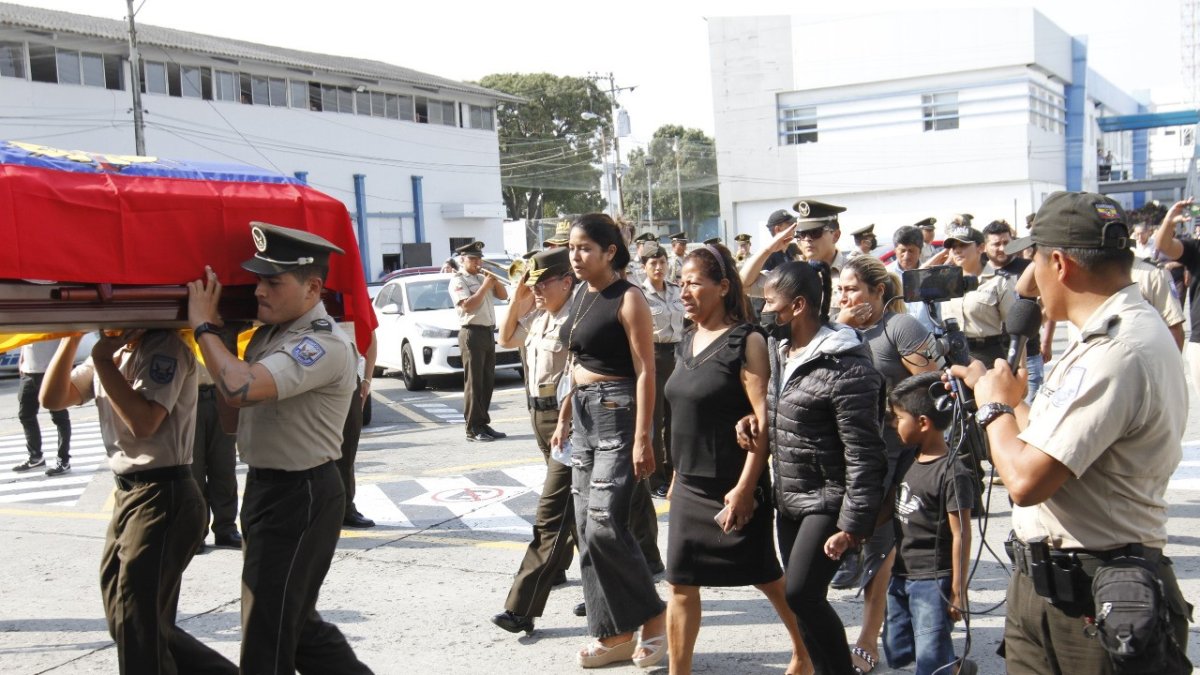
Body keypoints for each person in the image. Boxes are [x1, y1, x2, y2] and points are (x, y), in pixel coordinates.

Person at [957, 191, 1192, 675]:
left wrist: (994, 406)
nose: (1030, 276)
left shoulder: (1116, 350)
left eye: (1035, 259)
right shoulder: (1112, 334)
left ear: (1059, 264)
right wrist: (1007, 397)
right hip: (1053, 583)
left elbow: (1025, 482)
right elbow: (1051, 444)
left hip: (1095, 592)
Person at [186, 223, 373, 674]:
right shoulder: (272, 334)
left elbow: (238, 388)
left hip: (302, 494)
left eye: (273, 281)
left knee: (267, 631)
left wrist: (204, 326)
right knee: (297, 625)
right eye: (257, 280)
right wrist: (224, 338)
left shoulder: (322, 343)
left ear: (312, 287)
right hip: (269, 490)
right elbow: (235, 416)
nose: (258, 291)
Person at [40, 329, 237, 675]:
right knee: (126, 619)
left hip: (163, 493)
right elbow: (53, 399)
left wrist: (102, 361)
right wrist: (69, 340)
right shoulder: (114, 351)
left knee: (138, 625)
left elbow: (145, 422)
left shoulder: (163, 347)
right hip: (130, 494)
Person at [664, 243, 810, 675]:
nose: (684, 291)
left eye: (693, 282)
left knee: (766, 575)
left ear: (723, 286)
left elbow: (763, 419)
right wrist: (675, 474)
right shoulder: (687, 338)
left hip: (733, 482)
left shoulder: (747, 340)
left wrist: (746, 488)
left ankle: (806, 650)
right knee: (680, 583)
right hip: (689, 483)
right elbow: (684, 412)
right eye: (680, 282)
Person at [743, 260, 887, 674]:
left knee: (803, 594)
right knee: (800, 599)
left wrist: (854, 524)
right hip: (790, 497)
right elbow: (778, 412)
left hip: (829, 499)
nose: (764, 311)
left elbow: (865, 454)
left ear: (799, 305)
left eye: (771, 303)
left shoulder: (848, 367)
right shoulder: (781, 350)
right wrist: (750, 420)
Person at [551, 213, 667, 669]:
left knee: (603, 523)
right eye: (573, 249)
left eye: (585, 249)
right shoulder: (582, 293)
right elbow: (577, 361)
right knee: (586, 528)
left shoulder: (629, 297)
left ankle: (654, 617)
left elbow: (645, 371)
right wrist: (565, 414)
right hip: (582, 413)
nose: (576, 257)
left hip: (618, 413)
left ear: (610, 252)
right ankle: (612, 633)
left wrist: (644, 437)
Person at [834, 255, 940, 673]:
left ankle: (867, 638)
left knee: (882, 545)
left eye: (853, 288)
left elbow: (929, 390)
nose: (845, 296)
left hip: (896, 454)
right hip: (847, 455)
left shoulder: (900, 328)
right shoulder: (836, 329)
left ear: (879, 291)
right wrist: (841, 328)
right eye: (840, 289)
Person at [492, 248, 578, 635]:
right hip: (539, 415)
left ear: (566, 281)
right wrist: (518, 298)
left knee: (552, 513)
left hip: (568, 423)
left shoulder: (577, 319)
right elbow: (507, 337)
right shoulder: (541, 316)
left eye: (542, 282)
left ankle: (521, 607)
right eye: (533, 282)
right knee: (582, 512)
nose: (536, 289)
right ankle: (617, 590)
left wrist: (566, 419)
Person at [884, 372, 976, 675]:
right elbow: (891, 506)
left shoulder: (952, 472)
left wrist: (958, 589)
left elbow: (961, 533)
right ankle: (953, 667)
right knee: (897, 651)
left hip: (933, 580)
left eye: (899, 418)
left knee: (929, 660)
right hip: (901, 573)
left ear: (922, 422)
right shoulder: (907, 459)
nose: (895, 425)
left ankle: (942, 666)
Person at [448, 240, 509, 442]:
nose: (477, 262)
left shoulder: (482, 277)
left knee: (486, 381)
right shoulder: (459, 281)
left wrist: (494, 280)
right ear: (462, 259)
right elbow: (468, 306)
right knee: (474, 383)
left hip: (487, 332)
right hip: (471, 332)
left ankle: (482, 422)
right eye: (473, 259)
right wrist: (484, 285)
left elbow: (503, 294)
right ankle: (472, 428)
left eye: (479, 259)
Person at [640, 241, 685, 499]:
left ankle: (673, 473)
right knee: (655, 419)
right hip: (654, 355)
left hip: (677, 353)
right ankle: (656, 477)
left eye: (662, 262)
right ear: (644, 267)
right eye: (653, 263)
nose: (658, 268)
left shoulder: (676, 291)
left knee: (676, 417)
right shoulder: (640, 294)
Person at [981, 219, 1044, 401]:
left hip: (1029, 353)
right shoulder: (979, 273)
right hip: (993, 356)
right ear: (985, 247)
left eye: (1006, 243)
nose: (1002, 248)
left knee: (1031, 411)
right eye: (996, 244)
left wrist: (1035, 324)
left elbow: (1047, 303)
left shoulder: (1027, 268)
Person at [939, 224, 1015, 366]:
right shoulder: (947, 283)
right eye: (953, 247)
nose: (957, 250)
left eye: (963, 245)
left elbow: (1015, 330)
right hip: (955, 356)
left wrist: (1018, 367)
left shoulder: (998, 281)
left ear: (981, 248)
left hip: (988, 355)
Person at [191, 361, 242, 549]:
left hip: (220, 395)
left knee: (224, 467)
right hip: (188, 397)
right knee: (193, 470)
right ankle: (195, 532)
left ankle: (226, 529)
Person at [13, 340, 71, 475]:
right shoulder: (24, 319)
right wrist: (22, 358)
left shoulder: (51, 318)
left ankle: (63, 459)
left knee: (59, 417)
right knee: (25, 415)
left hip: (52, 371)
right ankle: (35, 457)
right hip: (28, 371)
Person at [339, 329, 377, 529]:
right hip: (313, 376)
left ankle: (345, 508)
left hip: (347, 376)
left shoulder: (348, 300)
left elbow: (369, 334)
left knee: (347, 448)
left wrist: (367, 379)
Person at [792, 199, 849, 307]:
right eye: (802, 234)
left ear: (836, 235)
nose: (807, 239)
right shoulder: (794, 274)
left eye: (815, 232)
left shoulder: (854, 272)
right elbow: (749, 285)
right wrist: (768, 250)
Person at [886, 225, 938, 334]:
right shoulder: (886, 275)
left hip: (928, 337)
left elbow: (938, 311)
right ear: (895, 250)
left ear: (920, 251)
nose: (906, 256)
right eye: (902, 250)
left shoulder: (931, 275)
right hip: (897, 336)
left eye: (911, 251)